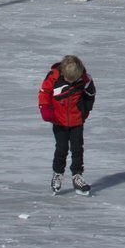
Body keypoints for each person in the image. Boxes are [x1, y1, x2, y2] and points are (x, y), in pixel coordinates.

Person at [38, 54, 97, 195]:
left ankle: (77, 175)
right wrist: (45, 110)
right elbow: (44, 93)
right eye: (68, 80)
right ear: (63, 72)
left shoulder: (85, 79)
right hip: (59, 120)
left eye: (73, 80)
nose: (71, 83)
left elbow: (91, 95)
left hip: (77, 120)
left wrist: (85, 112)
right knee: (61, 148)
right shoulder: (53, 76)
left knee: (77, 149)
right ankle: (58, 173)